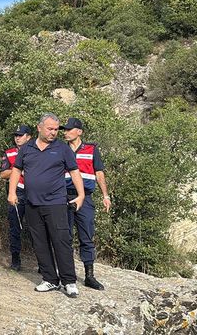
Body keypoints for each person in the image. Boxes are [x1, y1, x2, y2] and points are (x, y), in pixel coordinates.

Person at [8, 113, 85, 298]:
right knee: (40, 243)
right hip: (32, 203)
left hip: (56, 203)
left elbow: (74, 172)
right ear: (39, 127)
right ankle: (50, 279)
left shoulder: (62, 149)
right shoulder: (26, 149)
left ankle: (69, 281)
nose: (53, 133)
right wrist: (11, 193)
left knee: (61, 241)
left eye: (56, 129)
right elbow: (16, 170)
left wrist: (81, 195)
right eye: (50, 129)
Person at [61, 117, 111, 291]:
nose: (65, 132)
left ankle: (89, 276)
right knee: (64, 237)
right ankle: (67, 275)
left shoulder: (91, 149)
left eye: (68, 129)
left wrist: (106, 195)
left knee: (86, 236)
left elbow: (99, 173)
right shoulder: (60, 149)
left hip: (86, 199)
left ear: (79, 131)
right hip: (63, 197)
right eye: (64, 130)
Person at [0, 125, 32, 271]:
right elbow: (3, 174)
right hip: (16, 192)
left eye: (21, 135)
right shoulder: (9, 153)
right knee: (15, 227)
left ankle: (42, 262)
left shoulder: (36, 151)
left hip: (34, 193)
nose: (17, 138)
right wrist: (18, 170)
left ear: (29, 137)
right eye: (16, 135)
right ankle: (15, 260)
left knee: (37, 228)